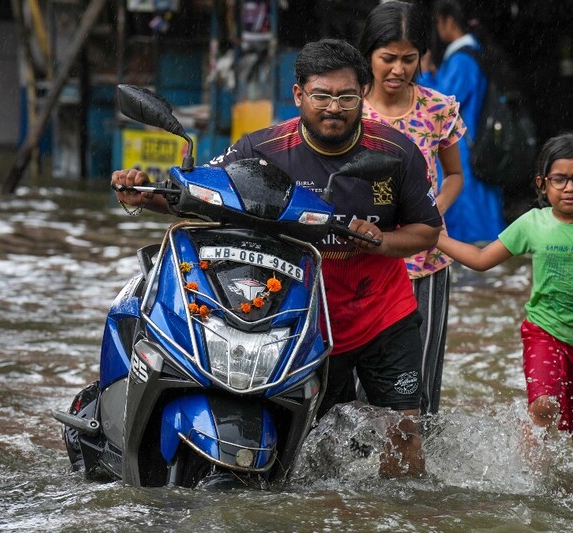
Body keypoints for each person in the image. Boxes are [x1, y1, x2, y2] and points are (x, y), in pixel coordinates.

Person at [112, 39, 442, 478]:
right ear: (298, 95)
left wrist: (380, 240)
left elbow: (427, 231)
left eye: (346, 97)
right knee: (308, 449)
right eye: (321, 96)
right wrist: (146, 193)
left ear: (363, 93)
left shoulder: (395, 152)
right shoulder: (261, 149)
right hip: (304, 318)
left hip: (384, 315)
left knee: (404, 434)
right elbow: (205, 195)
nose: (334, 108)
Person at [435, 133, 573, 470]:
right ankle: (534, 477)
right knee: (543, 407)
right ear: (542, 184)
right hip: (544, 334)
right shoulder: (532, 223)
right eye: (560, 179)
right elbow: (481, 259)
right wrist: (435, 238)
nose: (570, 187)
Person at [357, 0, 466, 415]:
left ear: (422, 56)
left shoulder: (438, 109)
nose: (398, 69)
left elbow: (455, 176)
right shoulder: (348, 110)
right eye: (388, 58)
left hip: (426, 262)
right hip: (362, 260)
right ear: (369, 55)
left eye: (409, 58)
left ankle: (416, 470)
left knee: (418, 383)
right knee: (355, 382)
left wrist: (429, 214)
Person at [417, 0, 505, 244]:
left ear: (449, 21)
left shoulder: (462, 58)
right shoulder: (471, 52)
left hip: (464, 145)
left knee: (468, 208)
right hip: (471, 141)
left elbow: (444, 100)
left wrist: (423, 74)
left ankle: (476, 258)